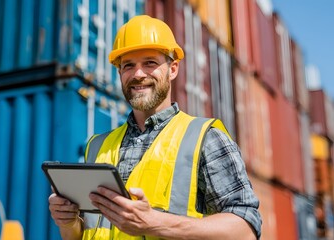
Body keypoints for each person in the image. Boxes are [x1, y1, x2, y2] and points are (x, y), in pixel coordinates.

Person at [49, 15, 262, 240]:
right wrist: (69, 223)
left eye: (150, 62)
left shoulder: (205, 138)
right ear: (120, 73)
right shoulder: (97, 146)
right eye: (128, 65)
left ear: (173, 69)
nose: (138, 74)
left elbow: (246, 230)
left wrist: (154, 223)